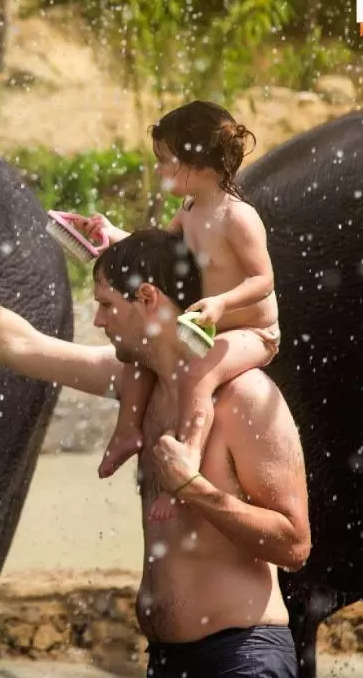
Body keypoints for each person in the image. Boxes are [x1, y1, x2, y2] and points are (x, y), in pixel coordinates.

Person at [0, 228, 310, 677]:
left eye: (108, 304)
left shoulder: (244, 395)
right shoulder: (139, 384)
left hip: (243, 657)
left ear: (148, 299)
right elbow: (21, 344)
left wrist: (193, 489)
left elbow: (294, 544)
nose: (98, 320)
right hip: (169, 660)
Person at [74, 100, 280, 522]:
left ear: (199, 162)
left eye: (167, 162)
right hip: (204, 325)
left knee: (199, 373)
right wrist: (115, 235)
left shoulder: (237, 217)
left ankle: (185, 473)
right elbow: (160, 253)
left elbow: (264, 280)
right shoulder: (189, 211)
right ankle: (128, 430)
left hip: (250, 333)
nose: (162, 171)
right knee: (141, 356)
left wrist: (221, 302)